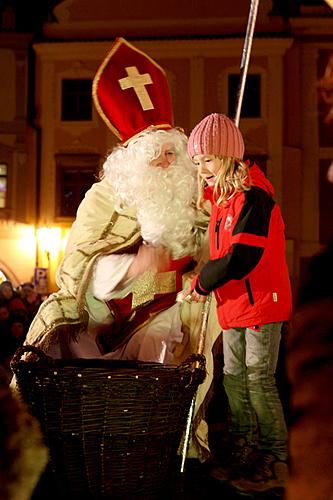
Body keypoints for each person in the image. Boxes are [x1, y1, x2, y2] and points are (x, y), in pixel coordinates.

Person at [19, 38, 220, 461]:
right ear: (132, 162)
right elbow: (76, 264)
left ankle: (158, 446)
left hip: (169, 312)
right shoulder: (102, 199)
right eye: (156, 156)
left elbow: (212, 248)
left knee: (167, 352)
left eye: (172, 152)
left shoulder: (197, 196)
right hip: (103, 318)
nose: (167, 163)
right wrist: (133, 265)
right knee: (60, 334)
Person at [178, 112, 292, 493]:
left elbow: (241, 257)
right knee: (233, 381)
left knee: (258, 380)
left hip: (260, 303)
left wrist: (201, 283)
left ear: (228, 157)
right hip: (233, 307)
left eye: (208, 159)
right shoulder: (222, 204)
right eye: (197, 162)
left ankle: (273, 456)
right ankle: (245, 447)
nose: (202, 169)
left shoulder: (254, 198)